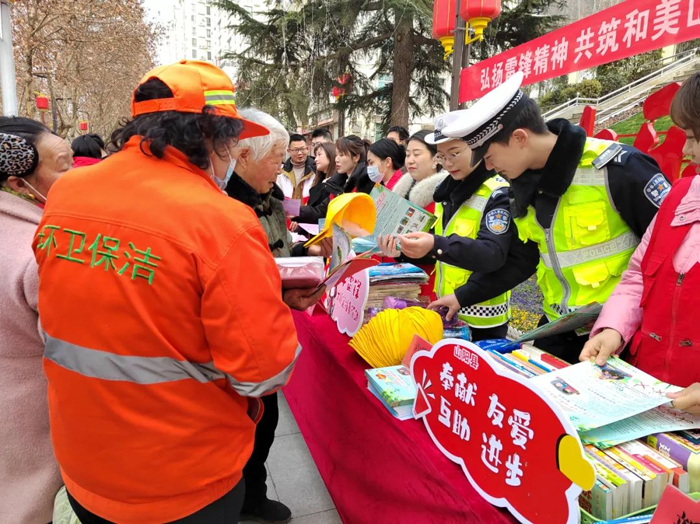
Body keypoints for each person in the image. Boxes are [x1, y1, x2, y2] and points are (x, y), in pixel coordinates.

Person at [33, 60, 301, 524]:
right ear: (214, 139)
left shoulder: (67, 192)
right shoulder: (221, 220)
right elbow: (263, 372)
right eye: (233, 142)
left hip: (83, 462)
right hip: (182, 479)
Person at [438, 72, 667, 362]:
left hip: (621, 337)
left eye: (489, 157)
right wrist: (463, 296)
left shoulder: (617, 169)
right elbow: (521, 260)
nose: (490, 167)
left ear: (519, 138)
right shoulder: (522, 186)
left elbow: (670, 254)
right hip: (560, 330)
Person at [225, 107, 329, 523]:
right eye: (276, 158)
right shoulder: (223, 208)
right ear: (244, 155)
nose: (282, 167)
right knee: (243, 424)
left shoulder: (265, 198)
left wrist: (305, 253)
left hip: (268, 332)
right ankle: (238, 498)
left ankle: (252, 494)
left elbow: (274, 253)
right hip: (240, 342)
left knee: (265, 421)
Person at [580, 72, 700, 388]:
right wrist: (613, 329)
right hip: (649, 386)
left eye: (693, 137)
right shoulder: (679, 196)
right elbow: (638, 276)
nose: (687, 151)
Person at [378, 112, 518, 340]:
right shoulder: (446, 191)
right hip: (447, 310)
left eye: (454, 153)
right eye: (442, 156)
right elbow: (438, 250)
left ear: (478, 146)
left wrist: (436, 245)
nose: (448, 163)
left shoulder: (497, 193)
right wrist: (403, 250)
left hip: (482, 320)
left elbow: (491, 254)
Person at [0, 118, 70, 524]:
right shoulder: (38, 251)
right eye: (63, 166)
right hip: (33, 423)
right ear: (17, 183)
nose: (75, 175)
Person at [392, 130, 449, 214]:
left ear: (436, 158)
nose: (410, 161)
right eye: (407, 155)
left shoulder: (446, 194)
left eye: (416, 154)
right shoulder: (402, 191)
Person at [291, 141, 337, 230]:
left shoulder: (334, 185)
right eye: (315, 156)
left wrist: (297, 212)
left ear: (330, 155)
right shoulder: (318, 182)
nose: (315, 159)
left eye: (319, 155)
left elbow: (320, 212)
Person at [278, 133, 316, 201]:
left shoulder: (315, 169)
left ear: (307, 149)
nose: (300, 153)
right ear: (289, 151)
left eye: (302, 149)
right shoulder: (281, 172)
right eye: (296, 150)